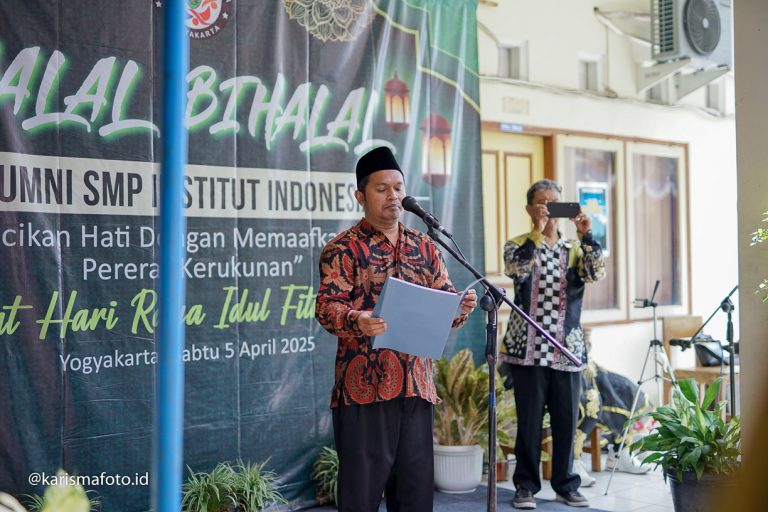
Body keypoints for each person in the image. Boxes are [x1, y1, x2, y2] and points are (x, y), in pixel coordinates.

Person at [314, 146, 478, 512]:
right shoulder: (342, 249)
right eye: (381, 188)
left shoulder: (426, 246)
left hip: (416, 388)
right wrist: (358, 319)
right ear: (360, 196)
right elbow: (326, 308)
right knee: (360, 499)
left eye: (398, 188)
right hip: (363, 393)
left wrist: (458, 308)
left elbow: (444, 300)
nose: (393, 196)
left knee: (415, 499)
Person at [498, 179, 605, 509]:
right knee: (529, 422)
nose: (547, 208)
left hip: (566, 348)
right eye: (541, 202)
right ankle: (526, 486)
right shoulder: (518, 244)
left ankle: (566, 484)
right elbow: (516, 269)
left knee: (565, 421)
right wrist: (536, 232)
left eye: (554, 202)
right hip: (527, 348)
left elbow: (596, 273)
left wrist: (587, 235)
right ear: (529, 208)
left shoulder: (574, 248)